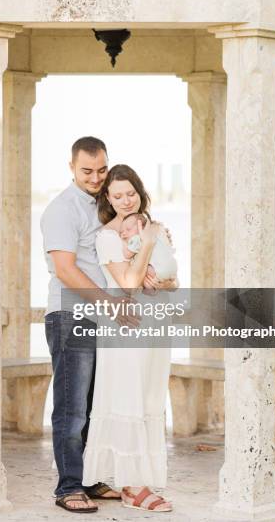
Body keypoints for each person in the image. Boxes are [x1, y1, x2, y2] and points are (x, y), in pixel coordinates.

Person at [41, 137, 138, 514]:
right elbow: (66, 270)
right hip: (70, 316)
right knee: (72, 407)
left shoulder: (102, 206)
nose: (96, 177)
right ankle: (67, 487)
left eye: (101, 169)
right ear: (71, 167)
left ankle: (89, 478)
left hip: (100, 317)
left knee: (96, 404)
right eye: (87, 171)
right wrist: (112, 304)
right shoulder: (62, 209)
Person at [82, 164, 175, 512]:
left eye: (131, 193)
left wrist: (165, 282)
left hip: (155, 325)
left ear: (140, 191)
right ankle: (131, 487)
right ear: (107, 197)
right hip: (125, 328)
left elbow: (173, 279)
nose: (126, 200)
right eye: (118, 195)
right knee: (128, 399)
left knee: (151, 399)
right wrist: (149, 241)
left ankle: (142, 480)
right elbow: (130, 284)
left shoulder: (152, 226)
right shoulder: (107, 237)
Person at [119, 212, 179, 288]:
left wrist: (124, 242)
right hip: (172, 267)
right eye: (120, 232)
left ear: (142, 227)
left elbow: (127, 255)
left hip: (159, 269)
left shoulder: (138, 238)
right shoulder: (157, 229)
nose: (123, 233)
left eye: (128, 229)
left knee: (147, 278)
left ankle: (150, 290)